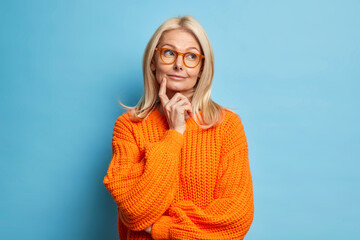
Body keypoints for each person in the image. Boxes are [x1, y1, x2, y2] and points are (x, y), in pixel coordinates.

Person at [103, 15, 254, 240]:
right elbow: (135, 211)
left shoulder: (227, 126)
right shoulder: (129, 127)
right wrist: (174, 134)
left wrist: (160, 227)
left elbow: (235, 219)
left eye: (191, 56)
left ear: (202, 68)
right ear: (153, 62)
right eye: (169, 53)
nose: (179, 64)